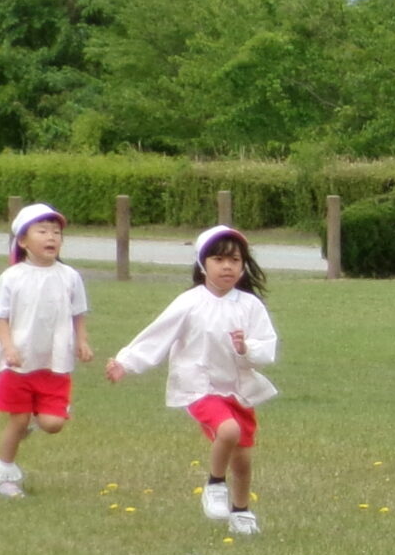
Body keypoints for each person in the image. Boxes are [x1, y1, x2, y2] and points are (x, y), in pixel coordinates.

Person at [108, 226, 278, 537]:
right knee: (228, 430)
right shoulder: (189, 302)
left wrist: (246, 348)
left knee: (242, 459)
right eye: (219, 259)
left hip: (238, 390)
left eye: (235, 260)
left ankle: (241, 511)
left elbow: (266, 348)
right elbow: (158, 334)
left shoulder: (250, 305)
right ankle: (215, 484)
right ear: (202, 264)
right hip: (199, 387)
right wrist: (126, 362)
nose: (227, 267)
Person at [0, 203, 93, 500]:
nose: (51, 237)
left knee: (53, 424)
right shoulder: (12, 277)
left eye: (56, 233)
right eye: (42, 231)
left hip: (54, 363)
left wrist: (82, 341)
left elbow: (78, 313)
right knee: (18, 420)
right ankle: (2, 477)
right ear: (22, 241)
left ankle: (31, 421)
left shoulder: (69, 276)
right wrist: (9, 348)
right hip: (18, 364)